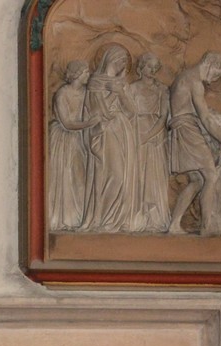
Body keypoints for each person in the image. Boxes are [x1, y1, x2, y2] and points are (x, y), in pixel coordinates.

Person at [165, 53, 221, 235]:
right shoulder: (194, 81)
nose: (214, 80)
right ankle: (207, 226)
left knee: (197, 180)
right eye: (217, 74)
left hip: (180, 129)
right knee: (211, 175)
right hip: (188, 130)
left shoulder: (183, 78)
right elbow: (206, 118)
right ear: (211, 64)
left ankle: (174, 224)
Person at [82, 45, 139, 233]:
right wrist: (112, 90)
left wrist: (121, 90)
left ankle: (114, 219)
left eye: (126, 60)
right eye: (121, 58)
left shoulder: (123, 84)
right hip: (105, 132)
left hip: (122, 130)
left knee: (123, 176)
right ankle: (102, 218)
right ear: (110, 58)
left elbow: (132, 111)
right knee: (114, 174)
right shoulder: (95, 82)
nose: (124, 63)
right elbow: (98, 112)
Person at [119, 52, 172, 232]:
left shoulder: (163, 90)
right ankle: (136, 217)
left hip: (154, 136)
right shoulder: (132, 88)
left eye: (155, 67)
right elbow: (126, 112)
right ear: (141, 67)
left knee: (153, 175)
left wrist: (148, 136)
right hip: (134, 132)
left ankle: (155, 218)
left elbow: (163, 117)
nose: (152, 70)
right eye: (149, 66)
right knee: (136, 175)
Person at [45, 61, 97, 233]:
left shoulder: (85, 93)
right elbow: (66, 123)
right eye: (85, 73)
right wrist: (89, 123)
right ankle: (65, 217)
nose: (88, 76)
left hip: (80, 138)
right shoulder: (62, 93)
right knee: (66, 176)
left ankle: (78, 217)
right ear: (77, 74)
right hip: (65, 139)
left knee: (79, 178)